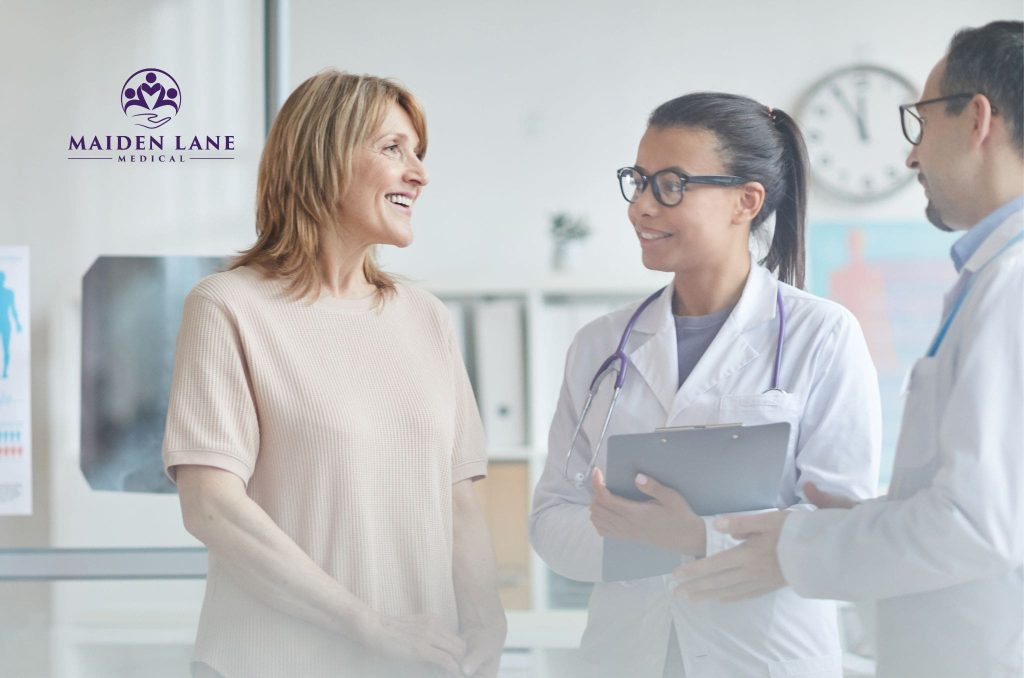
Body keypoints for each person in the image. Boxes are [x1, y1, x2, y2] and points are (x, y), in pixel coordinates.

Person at [675, 20, 1024, 678]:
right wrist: (863, 524)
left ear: (977, 119)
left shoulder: (1012, 284)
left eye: (921, 124)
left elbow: (978, 524)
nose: (911, 157)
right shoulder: (991, 277)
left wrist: (801, 544)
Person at [162, 70, 506, 678]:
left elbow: (458, 499)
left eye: (418, 153)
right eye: (392, 148)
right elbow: (211, 506)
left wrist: (485, 624)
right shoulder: (229, 306)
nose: (419, 174)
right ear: (322, 158)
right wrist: (368, 626)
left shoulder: (425, 316)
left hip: (419, 665)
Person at [529, 92, 881, 677]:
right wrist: (642, 540)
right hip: (625, 658)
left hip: (762, 658)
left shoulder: (822, 335)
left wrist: (697, 537)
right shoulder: (599, 345)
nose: (641, 206)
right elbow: (551, 517)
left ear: (746, 201)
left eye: (671, 185)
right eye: (638, 181)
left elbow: (843, 524)